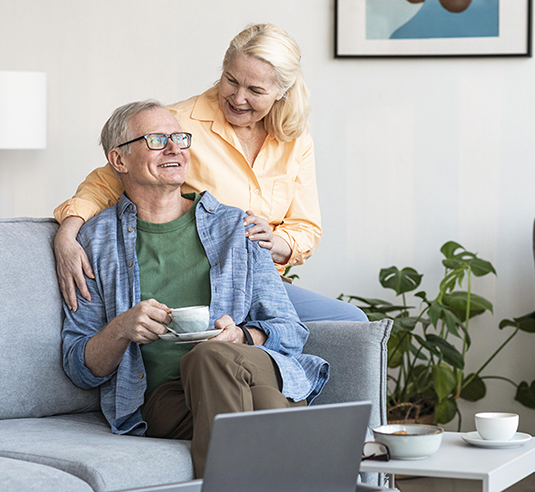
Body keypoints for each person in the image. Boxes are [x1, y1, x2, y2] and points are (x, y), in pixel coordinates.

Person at [61, 100, 329, 479]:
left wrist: (241, 335)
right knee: (263, 401)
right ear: (119, 160)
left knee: (211, 357)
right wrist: (122, 329)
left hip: (248, 368)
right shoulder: (95, 242)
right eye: (156, 140)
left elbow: (290, 330)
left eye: (180, 137)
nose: (175, 148)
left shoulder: (238, 228)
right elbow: (79, 366)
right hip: (165, 401)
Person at [53, 23, 366, 322]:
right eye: (231, 80)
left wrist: (275, 241)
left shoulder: (294, 137)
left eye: (255, 90)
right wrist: (67, 236)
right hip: (203, 280)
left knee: (352, 322)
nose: (238, 97)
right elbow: (103, 182)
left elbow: (305, 226)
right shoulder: (177, 125)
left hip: (262, 282)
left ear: (281, 92)